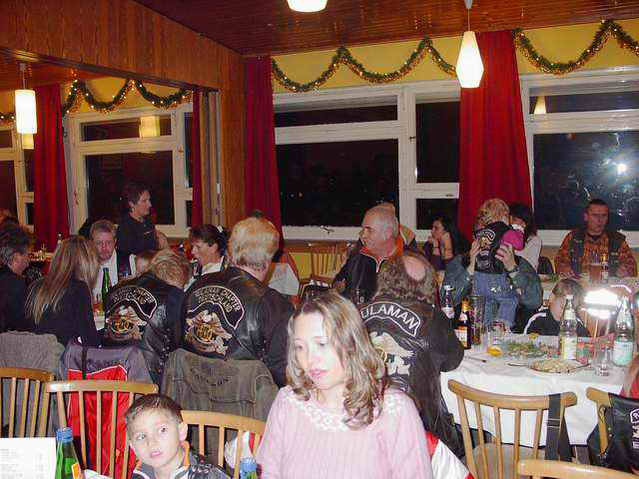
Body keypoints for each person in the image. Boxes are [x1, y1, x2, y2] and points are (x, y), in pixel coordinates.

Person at [256, 292, 433, 478]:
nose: (309, 359)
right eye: (300, 347)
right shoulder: (289, 401)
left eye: (321, 344)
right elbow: (267, 472)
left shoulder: (393, 411)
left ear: (351, 343)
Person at [360, 250, 463, 455]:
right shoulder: (432, 318)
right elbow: (453, 360)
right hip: (418, 434)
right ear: (428, 285)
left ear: (386, 277)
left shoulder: (355, 312)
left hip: (361, 425)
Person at [181, 217, 293, 387]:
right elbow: (282, 375)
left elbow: (179, 347)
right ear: (268, 258)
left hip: (191, 394)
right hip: (245, 401)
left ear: (231, 250)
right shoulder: (275, 306)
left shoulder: (196, 287)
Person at [441, 203, 543, 329]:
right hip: (469, 332)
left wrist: (513, 270)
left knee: (509, 301)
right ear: (475, 236)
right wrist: (470, 269)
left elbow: (535, 301)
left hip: (511, 334)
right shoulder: (460, 262)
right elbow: (446, 300)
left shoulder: (519, 263)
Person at [104, 249, 189, 384]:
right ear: (177, 275)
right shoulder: (173, 296)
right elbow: (179, 343)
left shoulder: (114, 290)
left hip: (111, 377)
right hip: (151, 381)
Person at [127, 394, 229, 479]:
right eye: (141, 437)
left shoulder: (207, 475)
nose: (151, 443)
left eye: (162, 430)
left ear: (181, 432)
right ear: (133, 447)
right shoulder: (140, 473)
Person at [26, 236, 100, 347]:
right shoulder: (79, 289)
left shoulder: (36, 286)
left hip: (35, 353)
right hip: (61, 355)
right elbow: (89, 340)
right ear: (87, 263)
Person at [467, 199, 525, 329]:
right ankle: (500, 325)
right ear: (503, 215)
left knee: (486, 304)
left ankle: (485, 330)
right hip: (495, 276)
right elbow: (519, 244)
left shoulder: (480, 232)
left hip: (478, 277)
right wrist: (519, 230)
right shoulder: (503, 229)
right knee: (510, 299)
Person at [333, 205, 404, 305]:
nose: (363, 235)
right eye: (363, 229)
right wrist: (338, 288)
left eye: (369, 230)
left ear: (387, 233)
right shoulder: (357, 258)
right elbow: (338, 282)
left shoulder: (407, 264)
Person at [555, 198, 637, 278]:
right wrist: (564, 268)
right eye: (595, 215)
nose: (600, 220)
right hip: (578, 284)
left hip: (608, 285)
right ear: (586, 217)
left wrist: (625, 270)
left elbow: (632, 266)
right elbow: (560, 260)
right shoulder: (573, 238)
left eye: (604, 216)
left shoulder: (617, 240)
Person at [520, 279, 589, 336]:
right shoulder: (538, 320)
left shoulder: (576, 323)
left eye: (571, 310)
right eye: (562, 307)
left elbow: (586, 341)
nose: (565, 313)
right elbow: (526, 342)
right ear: (552, 298)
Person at [90, 220, 135, 302]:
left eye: (108, 242)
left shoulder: (130, 261)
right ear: (91, 243)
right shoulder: (86, 264)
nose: (104, 247)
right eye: (99, 243)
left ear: (115, 241)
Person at [0, 224, 32, 332]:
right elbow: (23, 326)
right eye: (27, 255)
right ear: (16, 257)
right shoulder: (16, 284)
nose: (28, 262)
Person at [116, 181, 159, 258]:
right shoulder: (125, 228)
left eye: (149, 200)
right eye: (144, 201)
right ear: (131, 204)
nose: (150, 204)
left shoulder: (148, 222)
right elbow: (127, 258)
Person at [184, 225, 227, 290]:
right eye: (192, 246)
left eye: (198, 247)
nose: (192, 251)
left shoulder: (225, 272)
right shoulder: (194, 268)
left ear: (213, 248)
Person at [509, 203, 542, 271]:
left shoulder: (534, 240)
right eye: (508, 219)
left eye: (514, 219)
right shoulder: (505, 237)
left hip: (524, 275)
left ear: (525, 222)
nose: (510, 222)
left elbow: (530, 267)